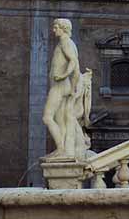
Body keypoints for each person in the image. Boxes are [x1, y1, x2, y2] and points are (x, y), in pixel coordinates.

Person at [44, 18, 92, 159]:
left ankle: (60, 148)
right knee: (60, 120)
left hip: (59, 86)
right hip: (62, 86)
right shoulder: (66, 43)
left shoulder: (65, 42)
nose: (53, 30)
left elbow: (73, 62)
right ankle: (63, 149)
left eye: (56, 27)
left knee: (47, 117)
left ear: (63, 28)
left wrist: (63, 75)